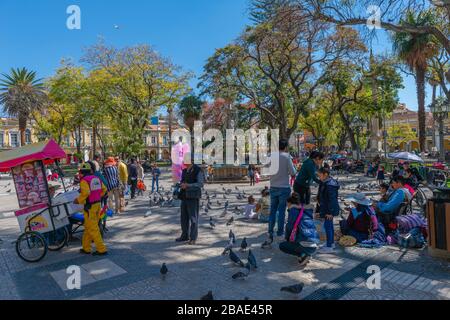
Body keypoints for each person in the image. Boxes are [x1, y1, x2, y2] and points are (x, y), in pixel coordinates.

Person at [74, 163, 108, 256]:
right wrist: (98, 196)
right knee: (88, 227)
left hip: (90, 208)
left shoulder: (84, 180)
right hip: (97, 205)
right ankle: (86, 248)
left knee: (93, 229)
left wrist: (78, 200)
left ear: (82, 172)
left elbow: (86, 192)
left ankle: (101, 249)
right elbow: (104, 189)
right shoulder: (97, 178)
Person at [268, 139, 297, 240]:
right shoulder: (287, 156)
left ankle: (270, 231)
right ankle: (280, 232)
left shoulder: (270, 156)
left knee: (272, 211)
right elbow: (293, 172)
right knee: (281, 211)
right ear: (285, 147)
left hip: (273, 186)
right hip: (284, 187)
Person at [279, 193, 319, 266]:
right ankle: (306, 253)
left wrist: (286, 238)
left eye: (287, 204)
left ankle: (303, 255)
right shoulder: (308, 210)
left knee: (282, 246)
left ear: (290, 203)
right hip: (314, 245)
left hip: (305, 245)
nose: (287, 206)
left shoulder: (293, 211)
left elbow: (289, 227)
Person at [176, 154, 204, 245]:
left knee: (193, 218)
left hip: (193, 196)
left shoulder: (197, 170)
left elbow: (200, 184)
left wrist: (188, 185)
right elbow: (183, 181)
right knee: (183, 218)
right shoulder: (184, 170)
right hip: (184, 196)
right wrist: (180, 184)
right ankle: (184, 235)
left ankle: (193, 238)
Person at [316, 167, 340, 254]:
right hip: (326, 208)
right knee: (329, 227)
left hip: (329, 209)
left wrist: (330, 212)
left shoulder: (330, 184)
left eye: (320, 175)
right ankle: (331, 243)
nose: (319, 177)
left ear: (325, 174)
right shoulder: (326, 182)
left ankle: (329, 246)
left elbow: (332, 199)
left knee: (328, 227)